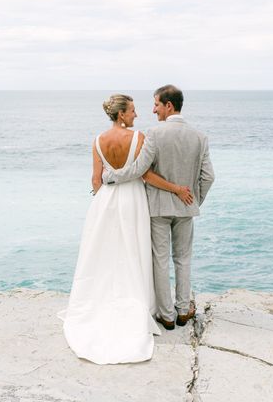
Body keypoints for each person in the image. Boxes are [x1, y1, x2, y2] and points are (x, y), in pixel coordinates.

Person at [60, 94, 193, 364]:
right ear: (121, 114)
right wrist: (177, 189)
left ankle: (103, 299)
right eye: (132, 111)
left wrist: (104, 201)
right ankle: (141, 303)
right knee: (136, 251)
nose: (136, 115)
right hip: (133, 201)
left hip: (105, 202)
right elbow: (145, 174)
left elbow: (96, 180)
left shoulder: (97, 141)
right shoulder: (139, 138)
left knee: (105, 254)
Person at [103, 85, 214, 330]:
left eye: (156, 105)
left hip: (158, 209)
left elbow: (140, 170)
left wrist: (111, 177)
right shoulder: (199, 136)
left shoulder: (153, 134)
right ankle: (184, 311)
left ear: (168, 106)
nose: (153, 110)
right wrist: (194, 200)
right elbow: (208, 177)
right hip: (186, 209)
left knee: (161, 261)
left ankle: (166, 316)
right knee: (183, 259)